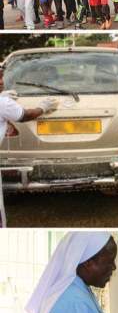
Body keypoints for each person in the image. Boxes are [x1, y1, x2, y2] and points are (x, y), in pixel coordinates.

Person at [0, 68, 58, 226]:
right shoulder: (4, 103)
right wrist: (43, 108)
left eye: (1, 78)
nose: (1, 83)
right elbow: (25, 115)